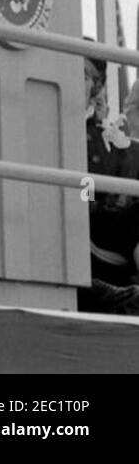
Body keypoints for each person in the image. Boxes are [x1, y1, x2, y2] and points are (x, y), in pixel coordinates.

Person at [78, 53, 139, 315]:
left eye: (82, 75)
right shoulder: (64, 130)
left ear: (94, 86)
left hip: (109, 225)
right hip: (80, 226)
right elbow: (85, 195)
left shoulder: (104, 138)